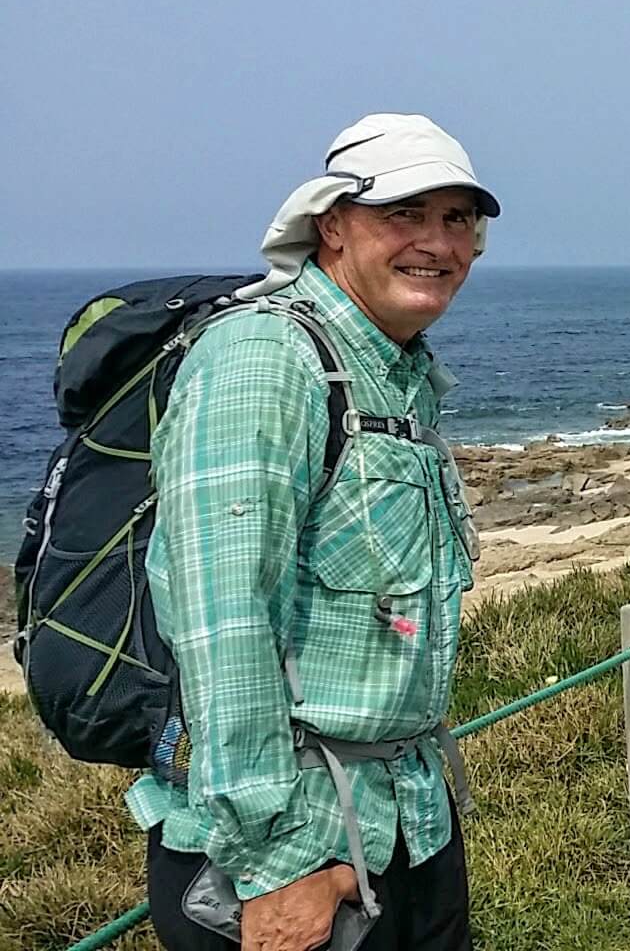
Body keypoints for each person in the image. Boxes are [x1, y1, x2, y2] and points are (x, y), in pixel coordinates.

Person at [129, 114, 500, 951]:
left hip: (406, 825)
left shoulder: (397, 371)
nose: (437, 242)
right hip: (297, 853)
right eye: (405, 214)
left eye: (458, 219)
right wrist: (278, 860)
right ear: (331, 224)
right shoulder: (265, 360)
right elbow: (224, 625)